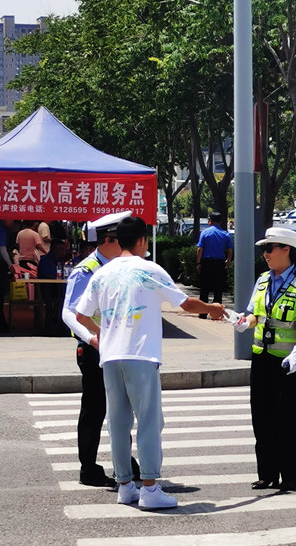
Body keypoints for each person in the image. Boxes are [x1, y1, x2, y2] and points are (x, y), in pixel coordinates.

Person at [75, 216, 225, 509]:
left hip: (110, 356)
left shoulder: (103, 274)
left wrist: (103, 334)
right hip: (141, 355)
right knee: (148, 422)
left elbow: (81, 316)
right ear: (143, 240)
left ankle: (124, 486)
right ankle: (150, 488)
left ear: (118, 240)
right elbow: (184, 304)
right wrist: (212, 308)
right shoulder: (149, 269)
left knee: (117, 422)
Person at [233, 227, 296, 492]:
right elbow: (255, 314)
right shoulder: (262, 280)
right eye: (264, 250)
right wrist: (243, 322)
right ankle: (267, 473)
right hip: (262, 359)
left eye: (270, 249)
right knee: (262, 417)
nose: (266, 254)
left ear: (286, 250)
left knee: (289, 420)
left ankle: (289, 476)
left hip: (288, 363)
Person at [61, 211, 138, 487]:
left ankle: (125, 464)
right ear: (108, 240)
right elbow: (69, 313)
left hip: (119, 347)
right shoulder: (87, 270)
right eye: (121, 240)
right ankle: (89, 468)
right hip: (94, 349)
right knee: (94, 408)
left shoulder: (124, 266)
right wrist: (92, 338)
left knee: (122, 407)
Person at [196, 211, 233, 319]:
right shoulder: (225, 234)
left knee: (204, 289)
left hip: (207, 263)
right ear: (220, 222)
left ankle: (202, 313)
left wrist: (198, 263)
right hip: (219, 263)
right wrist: (228, 260)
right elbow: (230, 249)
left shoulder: (205, 233)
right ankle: (216, 314)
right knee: (218, 289)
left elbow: (200, 249)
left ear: (210, 221)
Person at [38, 239, 68, 336]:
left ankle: (61, 325)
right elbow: (46, 275)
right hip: (47, 289)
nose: (64, 251)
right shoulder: (45, 260)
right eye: (61, 249)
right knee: (52, 298)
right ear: (54, 249)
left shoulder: (61, 261)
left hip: (59, 288)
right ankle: (49, 326)